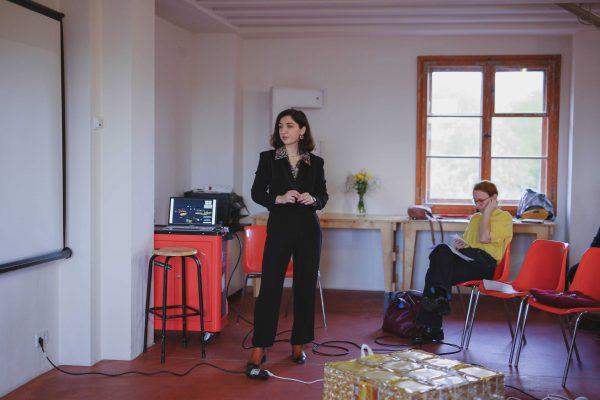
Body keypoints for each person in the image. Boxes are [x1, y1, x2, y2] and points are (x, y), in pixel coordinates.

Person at [246, 109, 328, 380]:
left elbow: (323, 196)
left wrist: (313, 199)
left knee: (305, 286)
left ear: (302, 130)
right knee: (270, 286)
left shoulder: (316, 162)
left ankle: (298, 343)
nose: (283, 131)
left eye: (290, 126)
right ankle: (259, 347)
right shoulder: (268, 159)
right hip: (280, 228)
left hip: (308, 230)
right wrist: (278, 198)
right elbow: (257, 192)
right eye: (280, 126)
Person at [414, 180, 513, 344]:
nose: (478, 205)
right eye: (475, 201)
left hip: (486, 264)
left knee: (436, 273)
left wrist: (487, 213)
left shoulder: (504, 218)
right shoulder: (475, 218)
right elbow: (469, 245)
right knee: (441, 250)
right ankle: (441, 299)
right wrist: (461, 244)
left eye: (482, 201)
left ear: (494, 198)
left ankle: (432, 328)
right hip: (468, 258)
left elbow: (484, 239)